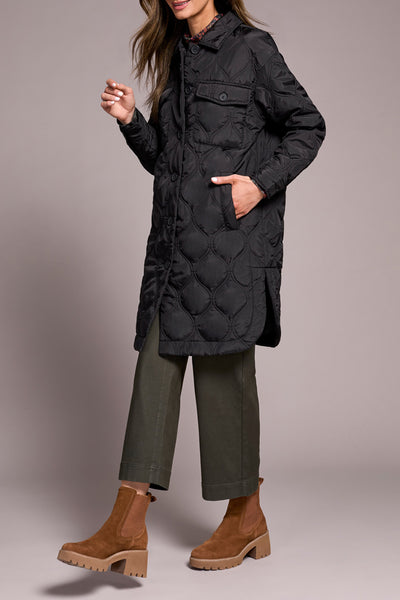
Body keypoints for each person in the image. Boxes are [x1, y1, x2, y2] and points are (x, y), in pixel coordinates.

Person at [57, 0, 326, 577]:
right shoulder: (178, 55)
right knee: (153, 372)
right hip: (174, 253)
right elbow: (167, 162)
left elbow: (308, 124)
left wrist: (259, 185)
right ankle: (126, 524)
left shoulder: (252, 49)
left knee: (225, 380)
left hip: (230, 251)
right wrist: (132, 121)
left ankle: (245, 518)